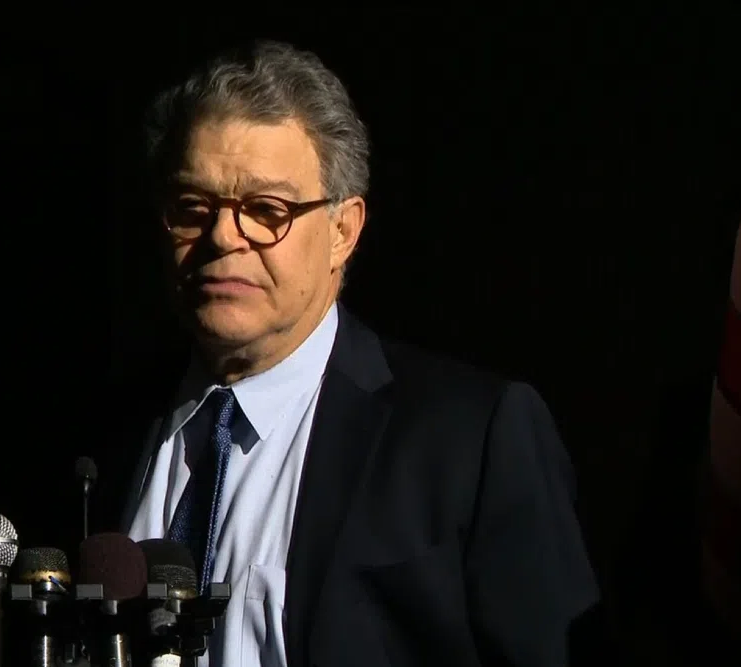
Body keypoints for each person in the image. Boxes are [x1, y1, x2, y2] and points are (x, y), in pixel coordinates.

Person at [89, 40, 599, 667]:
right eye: (193, 208)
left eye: (266, 210)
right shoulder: (105, 433)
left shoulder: (470, 438)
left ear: (343, 232)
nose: (222, 236)